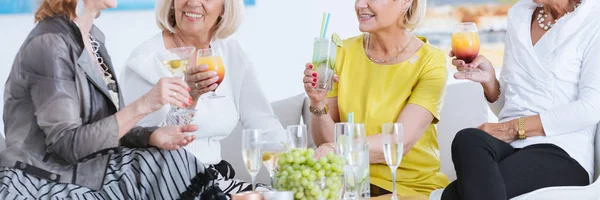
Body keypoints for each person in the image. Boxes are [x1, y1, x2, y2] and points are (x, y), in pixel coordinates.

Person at [0, 0, 216, 199]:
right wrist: (143, 105)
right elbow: (66, 145)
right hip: (47, 178)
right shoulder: (49, 45)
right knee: (169, 166)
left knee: (173, 160)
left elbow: (101, 128)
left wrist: (150, 136)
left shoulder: (91, 39)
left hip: (91, 168)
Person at [120, 0, 284, 194]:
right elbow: (139, 140)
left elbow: (263, 124)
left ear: (225, 7)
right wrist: (190, 98)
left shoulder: (230, 54)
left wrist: (298, 166)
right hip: (165, 184)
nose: (193, 2)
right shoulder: (145, 61)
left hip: (215, 178)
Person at [441, 0, 600, 199]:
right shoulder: (519, 15)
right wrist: (490, 80)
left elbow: (591, 108)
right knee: (468, 138)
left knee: (452, 195)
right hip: (513, 148)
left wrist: (510, 129)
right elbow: (509, 107)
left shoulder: (594, 18)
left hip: (563, 151)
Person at [304, 0, 450, 196]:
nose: (359, 4)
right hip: (350, 184)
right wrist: (317, 103)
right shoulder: (341, 51)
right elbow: (329, 143)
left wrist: (337, 149)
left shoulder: (431, 62)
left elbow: (399, 143)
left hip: (406, 187)